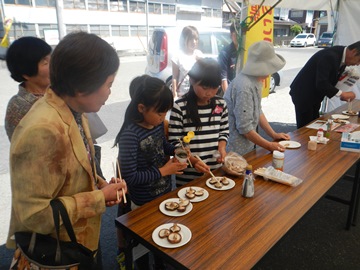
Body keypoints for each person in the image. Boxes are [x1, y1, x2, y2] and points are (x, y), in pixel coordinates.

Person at [7, 32, 127, 268]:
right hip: (57, 254)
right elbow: (33, 216)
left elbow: (74, 167)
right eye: (109, 84)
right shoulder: (42, 130)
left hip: (79, 240)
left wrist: (100, 183)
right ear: (82, 89)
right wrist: (98, 197)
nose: (110, 92)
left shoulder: (71, 106)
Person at [114, 75, 187, 269]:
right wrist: (164, 170)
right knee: (144, 244)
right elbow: (130, 177)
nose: (163, 118)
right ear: (141, 108)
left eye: (165, 113)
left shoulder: (154, 125)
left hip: (163, 193)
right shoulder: (130, 135)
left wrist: (176, 151)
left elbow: (162, 146)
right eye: (160, 113)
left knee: (162, 238)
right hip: (143, 201)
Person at [168, 57, 229, 186]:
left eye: (214, 88)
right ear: (192, 80)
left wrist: (222, 148)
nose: (209, 93)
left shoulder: (221, 104)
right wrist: (193, 161)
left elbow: (223, 131)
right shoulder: (180, 107)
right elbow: (175, 142)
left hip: (215, 171)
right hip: (188, 176)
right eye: (205, 87)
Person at [224, 41, 290, 156]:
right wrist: (269, 145)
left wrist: (273, 134)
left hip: (248, 146)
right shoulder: (244, 86)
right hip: (235, 149)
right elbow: (245, 128)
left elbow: (258, 111)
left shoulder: (256, 80)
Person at [290, 41, 360, 128]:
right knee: (305, 127)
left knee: (314, 124)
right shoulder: (330, 56)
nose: (357, 64)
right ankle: (303, 141)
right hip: (304, 93)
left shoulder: (342, 56)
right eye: (359, 60)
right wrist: (342, 94)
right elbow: (322, 83)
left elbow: (330, 79)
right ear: (353, 52)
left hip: (315, 94)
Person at [4, 36, 52, 141]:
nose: (53, 66)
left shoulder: (58, 92)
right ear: (26, 73)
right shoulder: (18, 107)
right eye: (45, 63)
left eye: (51, 59)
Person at [172, 25, 203, 99]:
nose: (194, 42)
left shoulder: (199, 54)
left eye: (196, 39)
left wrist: (201, 61)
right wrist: (175, 95)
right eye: (191, 39)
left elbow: (204, 75)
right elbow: (174, 77)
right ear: (184, 39)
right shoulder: (177, 56)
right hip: (182, 95)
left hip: (197, 94)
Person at [218, 23, 238, 93]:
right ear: (231, 35)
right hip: (230, 92)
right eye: (237, 35)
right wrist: (228, 99)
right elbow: (224, 79)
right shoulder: (224, 53)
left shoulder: (245, 51)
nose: (239, 37)